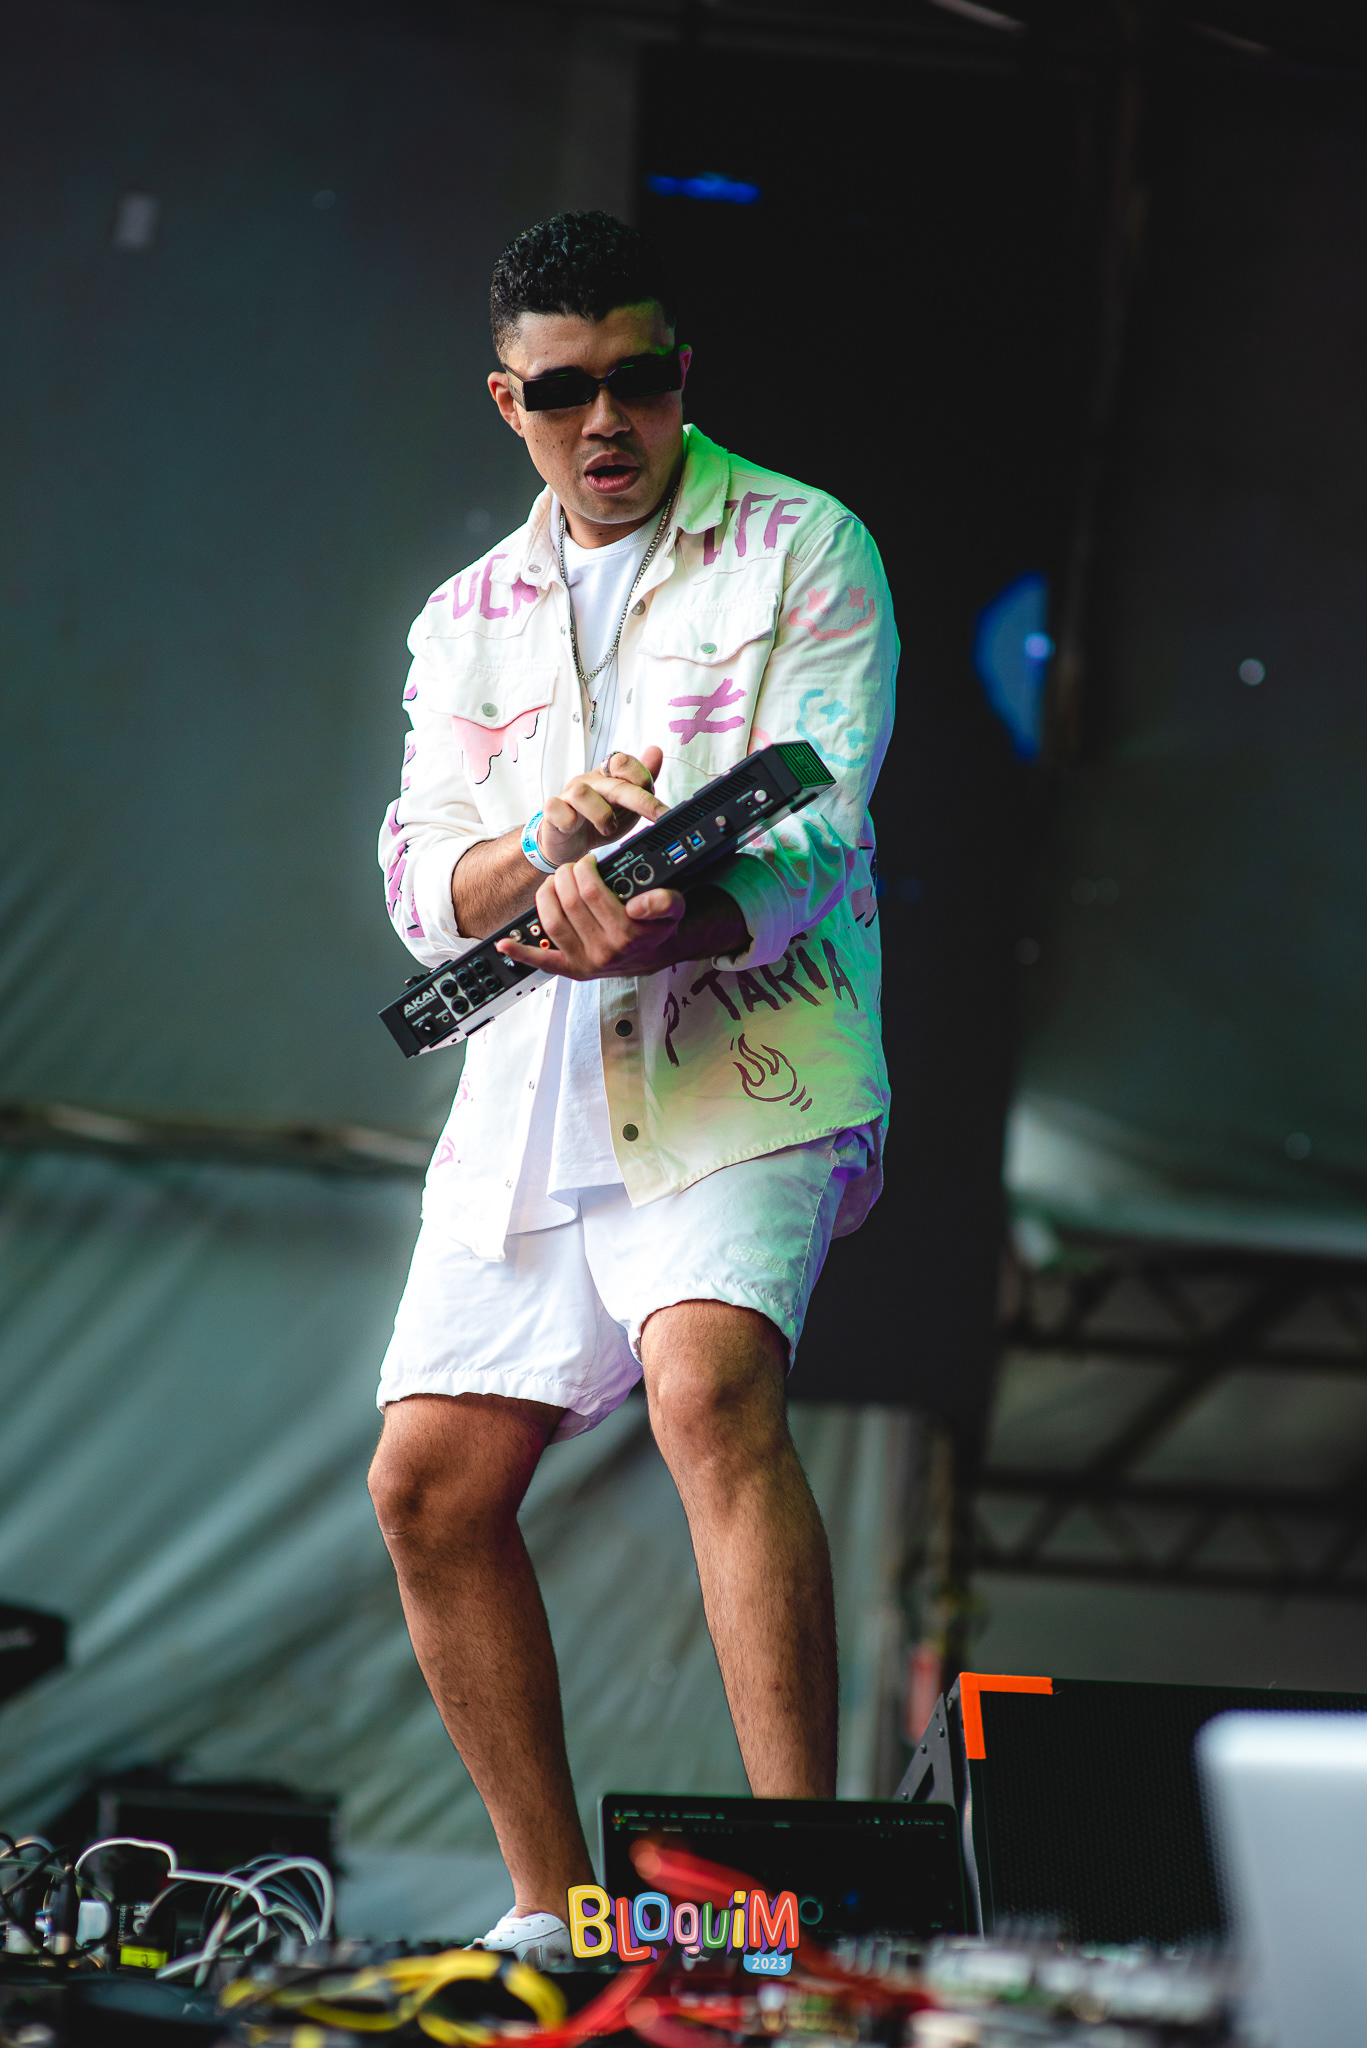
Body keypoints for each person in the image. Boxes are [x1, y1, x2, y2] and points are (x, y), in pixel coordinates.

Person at [368, 211, 897, 1965]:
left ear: (685, 374)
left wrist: (663, 925)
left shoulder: (804, 543)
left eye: (642, 377)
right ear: (506, 401)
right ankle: (548, 1911)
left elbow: (821, 831)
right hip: (533, 1076)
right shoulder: (466, 615)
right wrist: (543, 850)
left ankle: (802, 1907)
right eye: (566, 390)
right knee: (426, 1485)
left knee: (707, 1383)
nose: (610, 418)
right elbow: (422, 879)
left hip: (744, 1046)